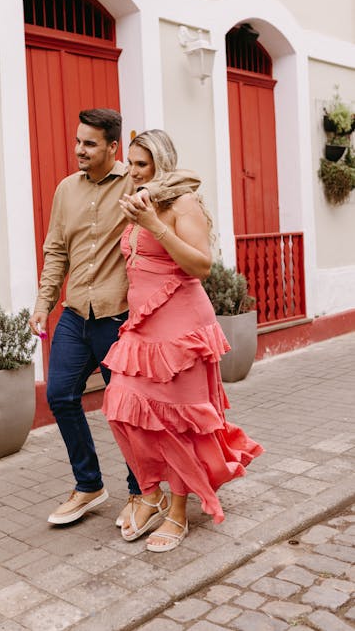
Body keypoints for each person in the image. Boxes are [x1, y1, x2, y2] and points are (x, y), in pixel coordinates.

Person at [29, 110, 200, 526]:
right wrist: (42, 302)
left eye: (89, 143)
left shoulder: (136, 180)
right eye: (77, 141)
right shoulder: (65, 190)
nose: (78, 150)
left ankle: (141, 492)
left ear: (112, 147)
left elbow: (183, 181)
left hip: (119, 317)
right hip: (75, 311)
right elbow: (56, 251)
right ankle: (88, 485)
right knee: (60, 395)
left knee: (126, 410)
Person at [101, 129, 264, 552]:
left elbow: (201, 265)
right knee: (123, 407)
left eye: (142, 165)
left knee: (177, 422)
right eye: (131, 164)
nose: (133, 172)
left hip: (183, 330)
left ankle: (178, 512)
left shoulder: (181, 203)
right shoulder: (140, 201)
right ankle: (150, 494)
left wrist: (154, 223)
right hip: (144, 326)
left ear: (162, 163)